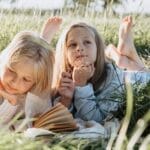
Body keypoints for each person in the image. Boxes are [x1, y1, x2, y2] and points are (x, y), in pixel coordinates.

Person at [50, 16, 150, 123]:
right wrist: (66, 100)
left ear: (98, 49)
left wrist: (81, 86)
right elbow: (60, 120)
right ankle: (124, 60)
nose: (79, 48)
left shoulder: (110, 77)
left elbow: (98, 119)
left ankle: (125, 59)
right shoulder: (65, 78)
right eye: (72, 45)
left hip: (139, 82)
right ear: (65, 54)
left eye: (87, 42)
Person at [0, 31, 54, 126]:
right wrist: (11, 102)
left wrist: (12, 101)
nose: (15, 82)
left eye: (26, 79)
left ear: (35, 83)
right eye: (12, 70)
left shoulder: (32, 97)